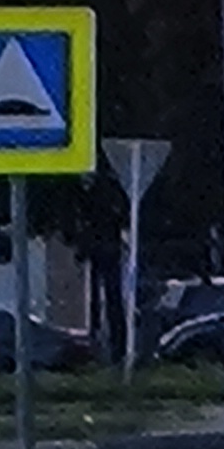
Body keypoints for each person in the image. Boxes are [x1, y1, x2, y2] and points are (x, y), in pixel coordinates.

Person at [77, 152, 132, 369]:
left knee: (108, 297)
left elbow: (113, 217)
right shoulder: (100, 190)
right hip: (104, 247)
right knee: (102, 298)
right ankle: (104, 345)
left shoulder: (104, 191)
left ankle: (113, 348)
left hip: (105, 247)